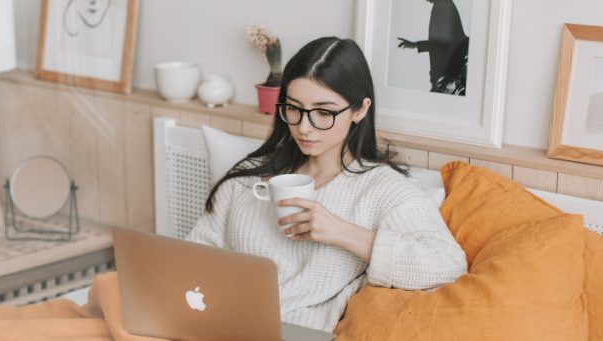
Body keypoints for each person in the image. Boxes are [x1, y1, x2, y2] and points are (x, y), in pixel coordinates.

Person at [186, 37, 468, 332]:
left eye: (324, 112)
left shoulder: (382, 190)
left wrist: (343, 233)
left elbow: (448, 264)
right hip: (217, 325)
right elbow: (193, 256)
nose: (304, 127)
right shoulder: (248, 177)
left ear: (359, 110)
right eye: (293, 108)